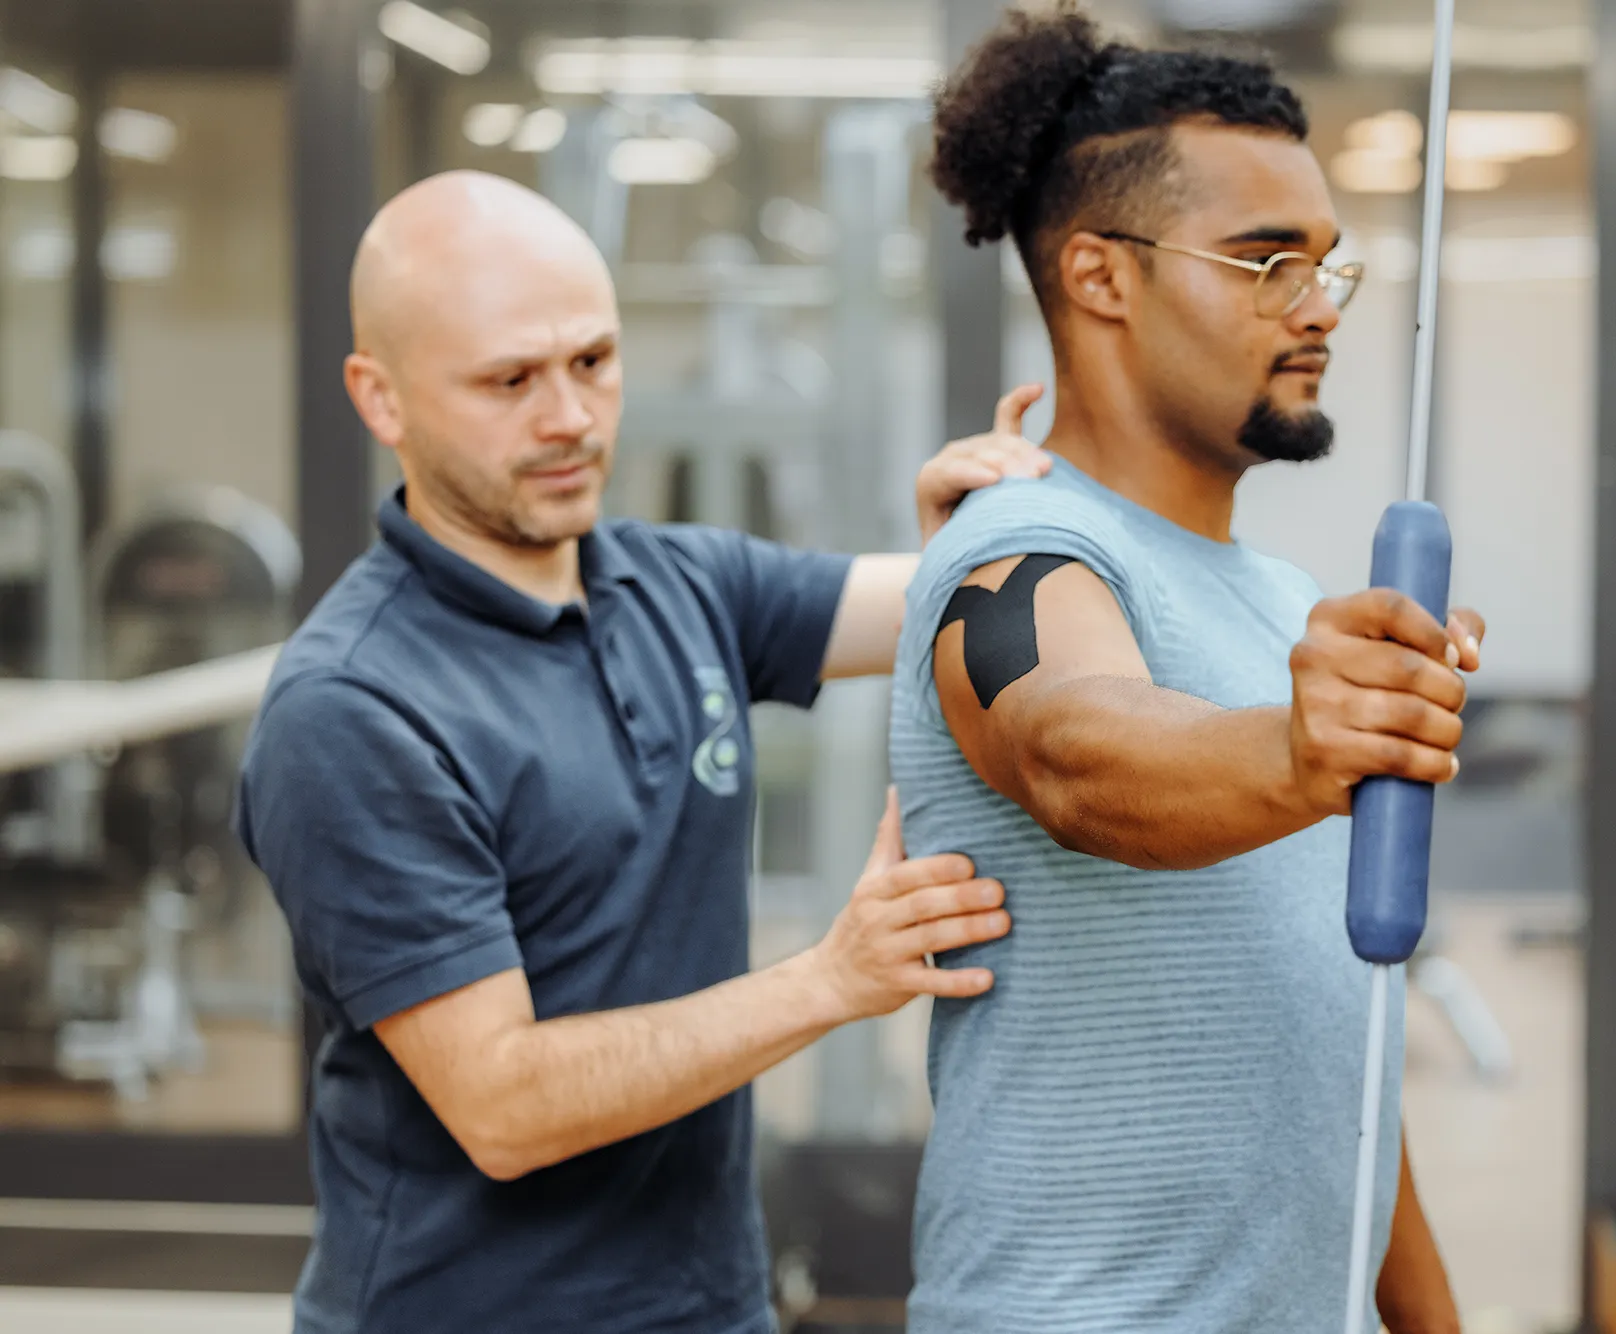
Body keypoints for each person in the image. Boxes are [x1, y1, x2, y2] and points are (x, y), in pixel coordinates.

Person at [234, 170, 1049, 1334]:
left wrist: (998, 520)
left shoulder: (676, 580)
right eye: (509, 379)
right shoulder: (354, 706)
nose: (569, 415)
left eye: (593, 361)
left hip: (706, 1303)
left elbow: (922, 600)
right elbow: (504, 1104)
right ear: (382, 397)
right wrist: (827, 980)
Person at [890, 10, 1485, 1333]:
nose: (1318, 307)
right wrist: (1295, 751)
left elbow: (1344, 1058)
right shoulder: (1019, 552)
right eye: (1266, 262)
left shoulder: (1279, 601)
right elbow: (1072, 748)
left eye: (1329, 265)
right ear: (1101, 275)